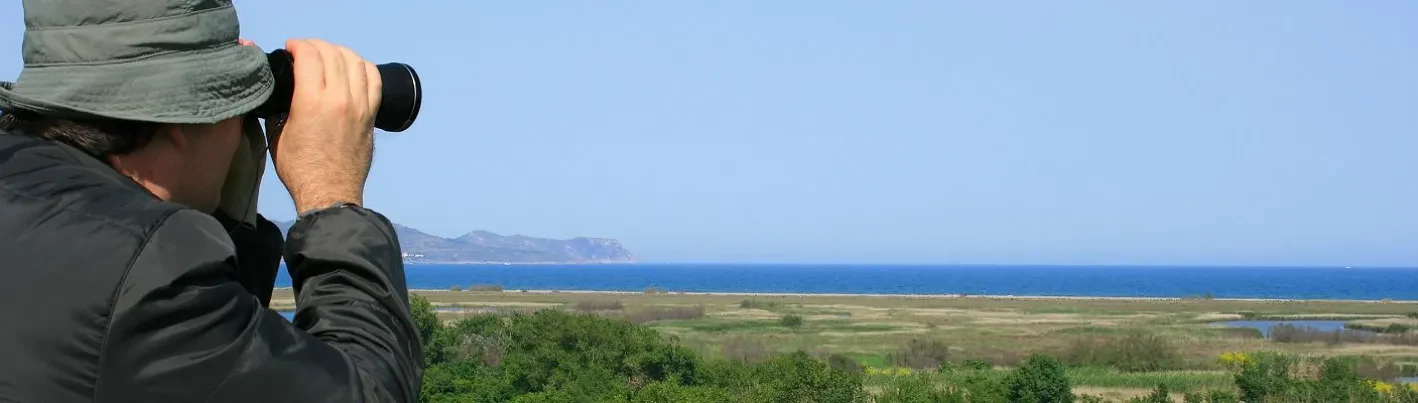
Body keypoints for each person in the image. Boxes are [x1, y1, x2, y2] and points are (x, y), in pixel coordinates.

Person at [0, 1, 423, 402]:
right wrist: (332, 197)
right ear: (183, 117)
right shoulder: (151, 272)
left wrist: (232, 223)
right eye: (236, 104)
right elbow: (368, 390)